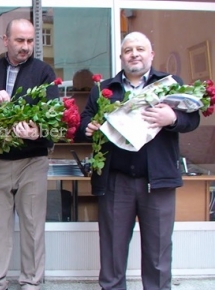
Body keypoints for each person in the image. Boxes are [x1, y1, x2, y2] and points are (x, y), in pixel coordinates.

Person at [78, 31, 200, 290]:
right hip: (115, 182)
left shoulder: (170, 84)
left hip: (157, 182)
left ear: (151, 55)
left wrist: (173, 119)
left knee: (158, 256)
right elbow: (84, 122)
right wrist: (88, 127)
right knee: (112, 255)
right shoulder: (105, 90)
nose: (134, 53)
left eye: (140, 49)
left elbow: (193, 119)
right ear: (121, 56)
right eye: (129, 50)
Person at [0, 19, 59, 290]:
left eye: (30, 41)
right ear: (6, 40)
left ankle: (31, 281)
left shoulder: (43, 71)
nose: (26, 47)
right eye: (20, 41)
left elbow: (54, 111)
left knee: (32, 226)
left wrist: (38, 130)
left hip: (33, 161)